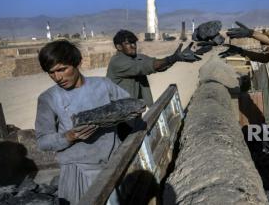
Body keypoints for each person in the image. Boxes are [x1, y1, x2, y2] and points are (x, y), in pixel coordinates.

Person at [35, 40, 131, 204]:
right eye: (51, 73)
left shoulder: (103, 85)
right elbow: (42, 141)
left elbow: (129, 106)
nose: (57, 77)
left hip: (114, 164)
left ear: (77, 63)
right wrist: (69, 137)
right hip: (79, 172)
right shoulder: (48, 98)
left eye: (62, 69)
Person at [107, 30, 200, 107]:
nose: (133, 46)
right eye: (128, 43)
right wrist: (173, 58)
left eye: (134, 42)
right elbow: (145, 67)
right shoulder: (117, 62)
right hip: (119, 109)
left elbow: (158, 66)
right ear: (119, 47)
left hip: (134, 107)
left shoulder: (138, 57)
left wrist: (175, 59)